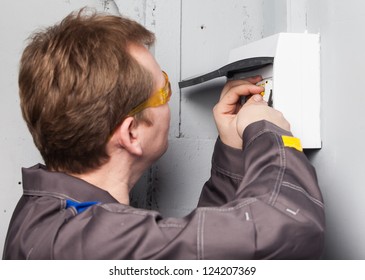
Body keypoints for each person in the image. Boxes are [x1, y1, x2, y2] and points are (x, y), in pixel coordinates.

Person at [2, 9, 325, 260]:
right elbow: (289, 227)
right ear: (131, 134)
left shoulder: (55, 217)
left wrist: (232, 149)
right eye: (163, 90)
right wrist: (269, 132)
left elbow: (199, 256)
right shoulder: (86, 244)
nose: (168, 99)